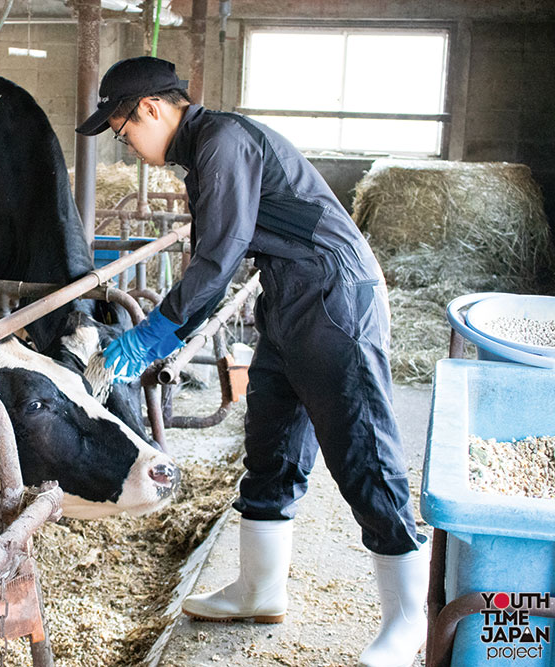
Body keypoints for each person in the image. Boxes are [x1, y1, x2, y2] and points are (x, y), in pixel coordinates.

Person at [77, 56, 428, 667]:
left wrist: (156, 333)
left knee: (361, 447)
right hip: (290, 296)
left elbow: (219, 255)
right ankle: (260, 589)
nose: (126, 145)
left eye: (122, 129)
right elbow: (228, 251)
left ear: (152, 109)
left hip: (333, 297)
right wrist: (168, 330)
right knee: (272, 444)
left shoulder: (224, 141)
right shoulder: (208, 150)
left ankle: (408, 617)